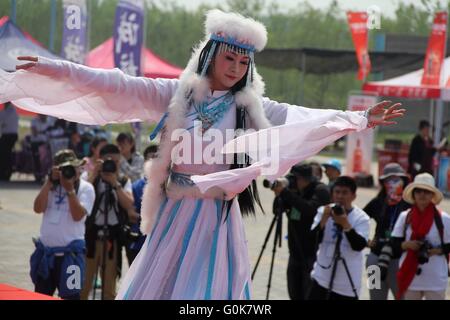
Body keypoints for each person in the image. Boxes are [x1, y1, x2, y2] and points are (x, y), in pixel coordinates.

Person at [1, 10, 404, 299]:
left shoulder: (250, 107)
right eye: (229, 57)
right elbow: (116, 85)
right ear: (211, 54)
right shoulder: (175, 96)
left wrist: (360, 118)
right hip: (176, 212)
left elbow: (303, 118)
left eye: (244, 61)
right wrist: (56, 69)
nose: (235, 67)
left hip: (217, 216)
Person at [30, 149, 95, 299]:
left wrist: (70, 190)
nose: (69, 172)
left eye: (72, 168)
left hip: (71, 256)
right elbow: (37, 208)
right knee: (40, 295)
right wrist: (48, 181)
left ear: (79, 168)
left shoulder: (86, 188)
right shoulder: (50, 186)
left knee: (72, 296)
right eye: (64, 169)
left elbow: (78, 216)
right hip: (46, 254)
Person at [80, 144, 135, 300]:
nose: (112, 165)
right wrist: (94, 174)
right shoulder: (89, 179)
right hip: (90, 237)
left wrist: (115, 183)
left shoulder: (123, 180)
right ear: (99, 161)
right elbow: (82, 195)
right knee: (83, 286)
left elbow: (129, 203)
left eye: (116, 162)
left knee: (109, 290)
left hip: (111, 239)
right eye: (108, 162)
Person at [273, 163, 330, 300]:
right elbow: (277, 211)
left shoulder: (320, 190)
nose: (293, 182)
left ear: (305, 179)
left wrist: (286, 193)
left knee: (309, 295)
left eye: (295, 179)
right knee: (294, 293)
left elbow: (309, 209)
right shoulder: (294, 190)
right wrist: (279, 195)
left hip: (312, 254)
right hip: (294, 253)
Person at [308, 176, 370, 300]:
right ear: (332, 195)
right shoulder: (323, 211)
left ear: (353, 196)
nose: (340, 196)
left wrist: (345, 224)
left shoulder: (361, 218)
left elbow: (358, 246)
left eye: (345, 193)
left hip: (346, 283)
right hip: (321, 278)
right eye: (337, 192)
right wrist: (323, 220)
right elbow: (311, 240)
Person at [391, 173, 450, 300]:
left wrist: (435, 251)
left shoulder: (443, 218)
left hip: (435, 278)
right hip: (410, 277)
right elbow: (394, 245)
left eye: (427, 191)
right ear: (413, 194)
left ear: (432, 195)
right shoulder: (405, 217)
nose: (422, 194)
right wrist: (406, 245)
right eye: (418, 191)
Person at [363, 162, 410, 300]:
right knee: (376, 297)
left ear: (404, 181)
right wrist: (366, 241)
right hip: (374, 259)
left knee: (402, 297)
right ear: (383, 182)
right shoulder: (377, 202)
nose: (393, 183)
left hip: (399, 261)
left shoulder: (409, 204)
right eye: (389, 180)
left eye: (397, 179)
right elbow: (358, 219)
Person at [126, 144, 159, 265]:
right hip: (139, 243)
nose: (154, 162)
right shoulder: (136, 186)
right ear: (145, 161)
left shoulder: (169, 187)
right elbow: (130, 214)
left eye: (158, 158)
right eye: (151, 158)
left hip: (159, 244)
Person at [0, 102, 19, 180]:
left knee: (5, 155)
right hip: (10, 135)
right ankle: (6, 172)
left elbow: (3, 119)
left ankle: (5, 172)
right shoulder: (12, 110)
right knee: (7, 154)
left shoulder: (9, 111)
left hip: (8, 135)